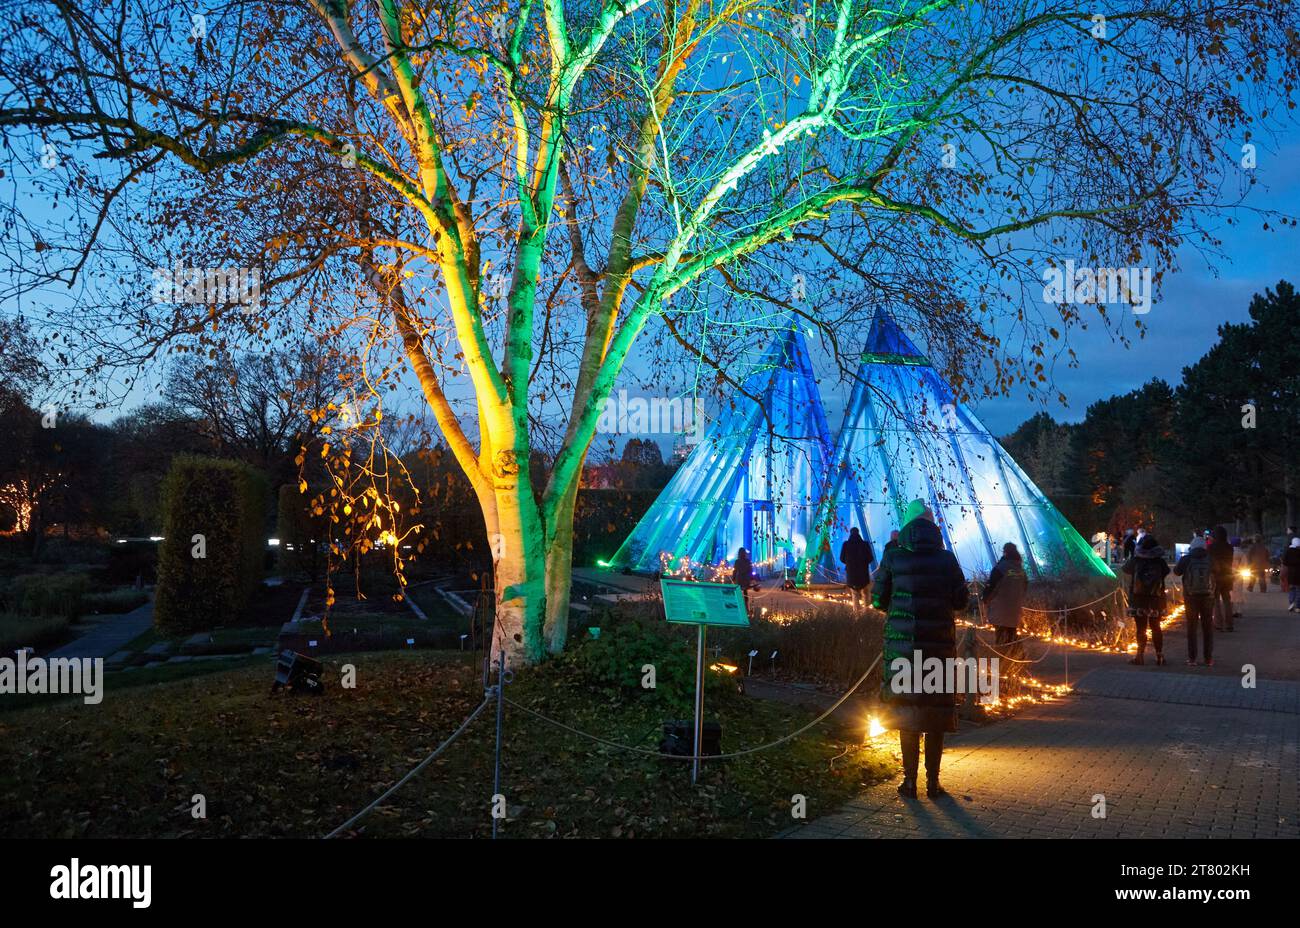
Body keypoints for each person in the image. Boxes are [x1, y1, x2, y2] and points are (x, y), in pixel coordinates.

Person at [873, 498, 968, 800]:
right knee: (934, 716)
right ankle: (933, 783)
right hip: (938, 649)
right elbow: (962, 601)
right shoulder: (947, 559)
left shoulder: (894, 557)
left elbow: (877, 599)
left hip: (903, 650)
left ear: (906, 526)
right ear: (932, 527)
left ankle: (909, 782)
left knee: (908, 715)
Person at [1122, 533, 1169, 665]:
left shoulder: (1136, 559)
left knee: (1141, 628)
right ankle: (1159, 656)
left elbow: (1125, 569)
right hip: (1156, 599)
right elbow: (1166, 572)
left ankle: (1140, 656)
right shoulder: (1160, 561)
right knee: (1156, 627)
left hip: (1139, 600)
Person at [1173, 536, 1214, 666]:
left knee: (1192, 627)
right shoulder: (1210, 559)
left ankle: (1192, 658)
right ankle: (1208, 659)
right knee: (1207, 627)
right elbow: (1220, 573)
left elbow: (1176, 572)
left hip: (1190, 597)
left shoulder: (1187, 558)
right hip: (1208, 596)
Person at [984, 542, 1028, 659]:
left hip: (1000, 607)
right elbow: (1024, 587)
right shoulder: (1020, 570)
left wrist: (986, 599)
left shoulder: (1000, 568)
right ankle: (1018, 656)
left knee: (1002, 636)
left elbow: (991, 586)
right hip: (1015, 608)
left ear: (1005, 552)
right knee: (1012, 632)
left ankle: (1004, 661)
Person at [839, 527, 875, 611]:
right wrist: (864, 563)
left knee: (855, 595)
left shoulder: (846, 544)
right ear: (859, 533)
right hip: (863, 574)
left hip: (852, 575)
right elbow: (870, 558)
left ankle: (857, 615)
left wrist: (849, 563)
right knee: (865, 594)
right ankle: (867, 614)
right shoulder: (865, 544)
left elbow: (841, 558)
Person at [1208, 525, 1235, 631]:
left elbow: (1209, 561)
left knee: (1216, 600)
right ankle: (1229, 624)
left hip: (1215, 575)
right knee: (1227, 600)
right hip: (1227, 575)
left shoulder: (1211, 547)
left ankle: (1218, 623)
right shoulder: (1229, 547)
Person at [1285, 538, 1300, 613]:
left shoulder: (1288, 551)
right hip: (1299, 575)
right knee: (1298, 591)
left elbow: (1285, 562)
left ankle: (1291, 604)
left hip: (1291, 574)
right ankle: (1298, 607)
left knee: (1291, 589)